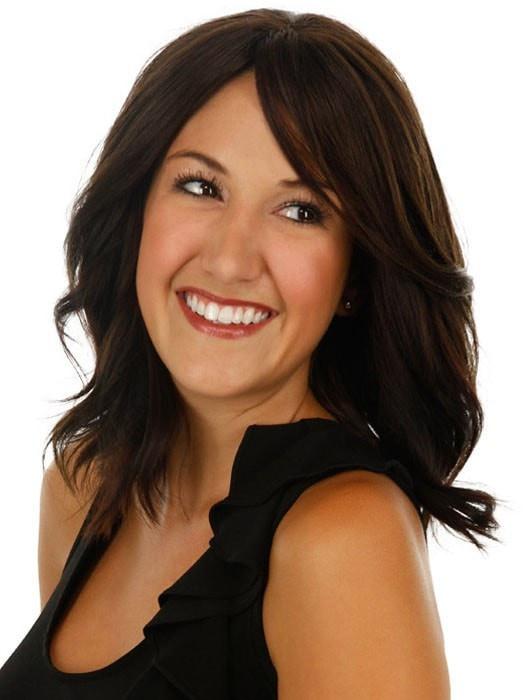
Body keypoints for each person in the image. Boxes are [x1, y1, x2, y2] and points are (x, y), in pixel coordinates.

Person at [0, 8, 501, 698]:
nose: (231, 261)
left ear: (355, 275)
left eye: (300, 211)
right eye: (201, 187)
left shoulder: (343, 537)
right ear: (136, 210)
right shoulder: (84, 487)